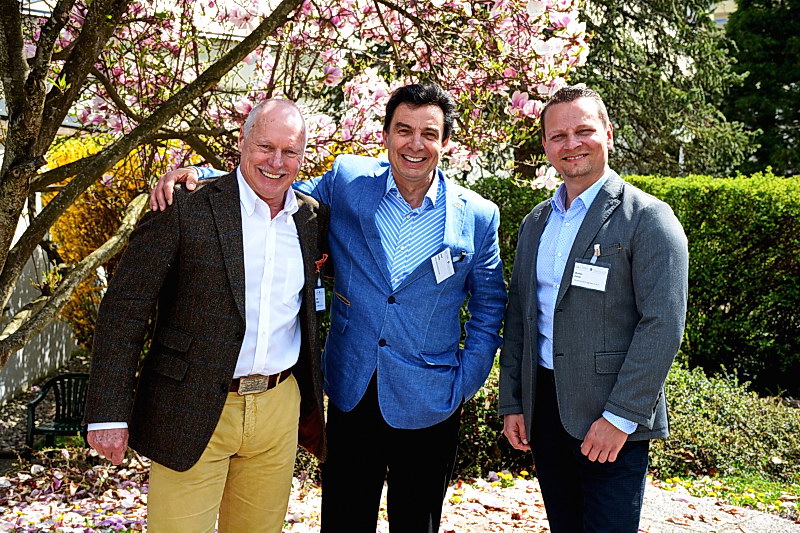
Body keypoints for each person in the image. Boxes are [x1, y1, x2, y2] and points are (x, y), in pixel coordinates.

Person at [150, 83, 507, 532]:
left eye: (429, 134)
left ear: (446, 142)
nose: (415, 144)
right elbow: (277, 185)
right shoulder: (348, 182)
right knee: (343, 522)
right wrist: (199, 175)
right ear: (386, 135)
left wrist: (463, 382)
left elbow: (490, 308)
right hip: (352, 390)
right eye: (403, 130)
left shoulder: (478, 215)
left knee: (417, 523)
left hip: (431, 398)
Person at [83, 99, 329, 533]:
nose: (276, 162)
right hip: (190, 404)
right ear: (242, 142)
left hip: (277, 409)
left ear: (303, 157)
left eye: (290, 152)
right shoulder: (185, 206)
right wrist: (108, 413)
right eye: (265, 147)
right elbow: (125, 309)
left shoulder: (311, 218)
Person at [499, 85, 689, 532]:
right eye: (558, 135)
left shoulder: (648, 218)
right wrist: (514, 401)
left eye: (583, 130)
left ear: (608, 133)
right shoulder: (535, 222)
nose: (572, 144)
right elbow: (521, 316)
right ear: (545, 144)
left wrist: (620, 417)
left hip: (611, 418)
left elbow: (663, 324)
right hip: (545, 411)